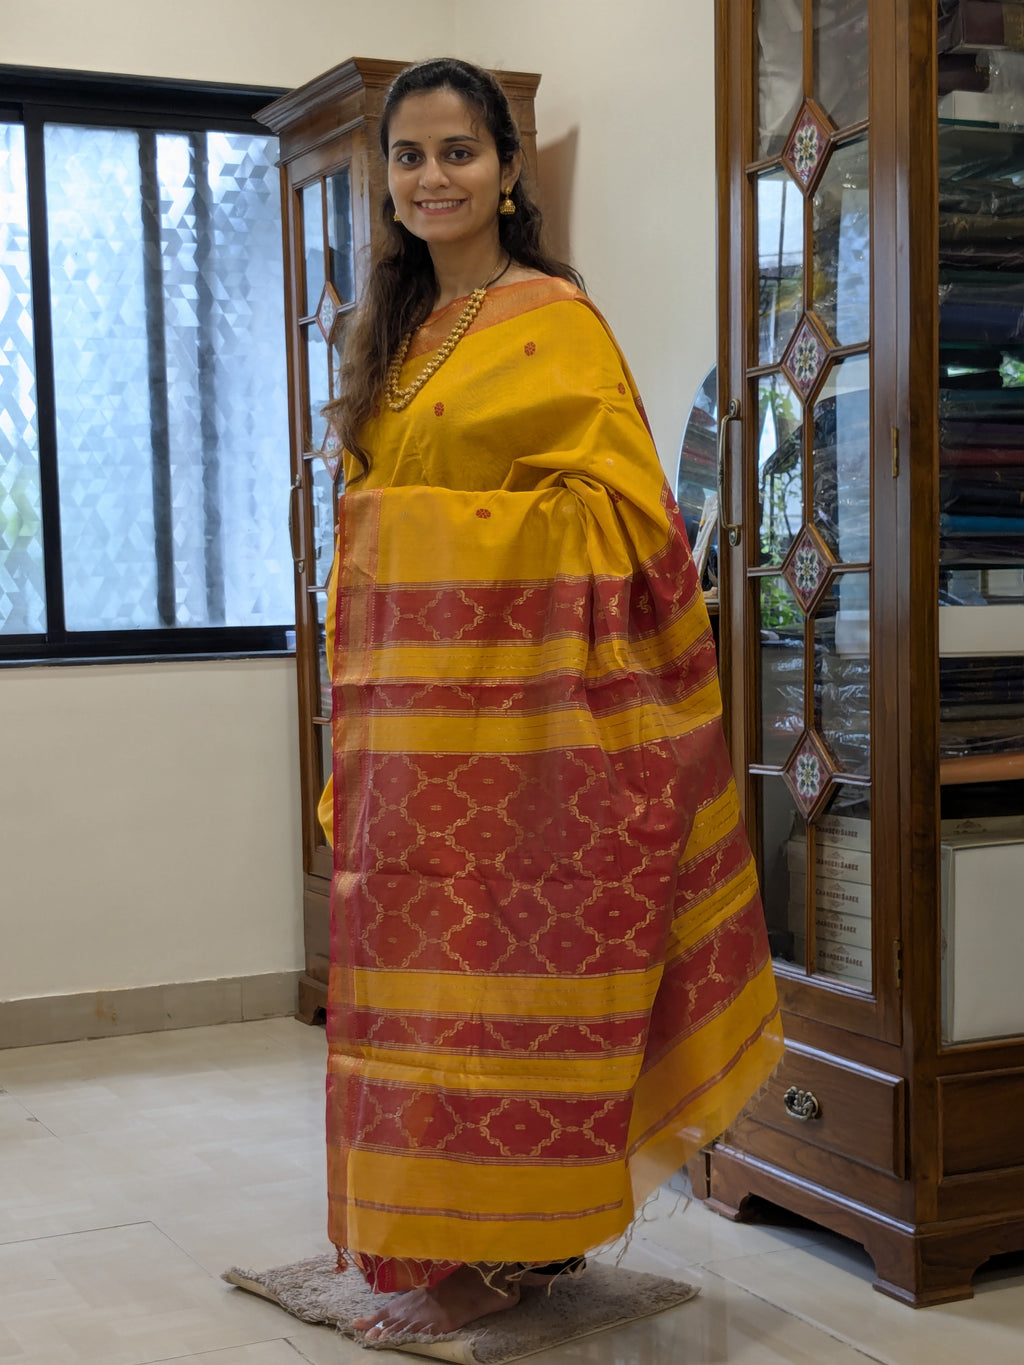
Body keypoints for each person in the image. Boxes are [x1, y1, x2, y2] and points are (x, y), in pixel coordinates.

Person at [316, 56, 783, 1344]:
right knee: (412, 979)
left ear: (510, 170)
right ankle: (433, 1239)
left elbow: (631, 524)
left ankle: (519, 1237)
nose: (431, 179)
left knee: (500, 978)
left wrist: (411, 535)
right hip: (412, 733)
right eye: (408, 157)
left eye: (458, 152)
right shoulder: (395, 332)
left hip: (532, 734)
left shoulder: (555, 319)